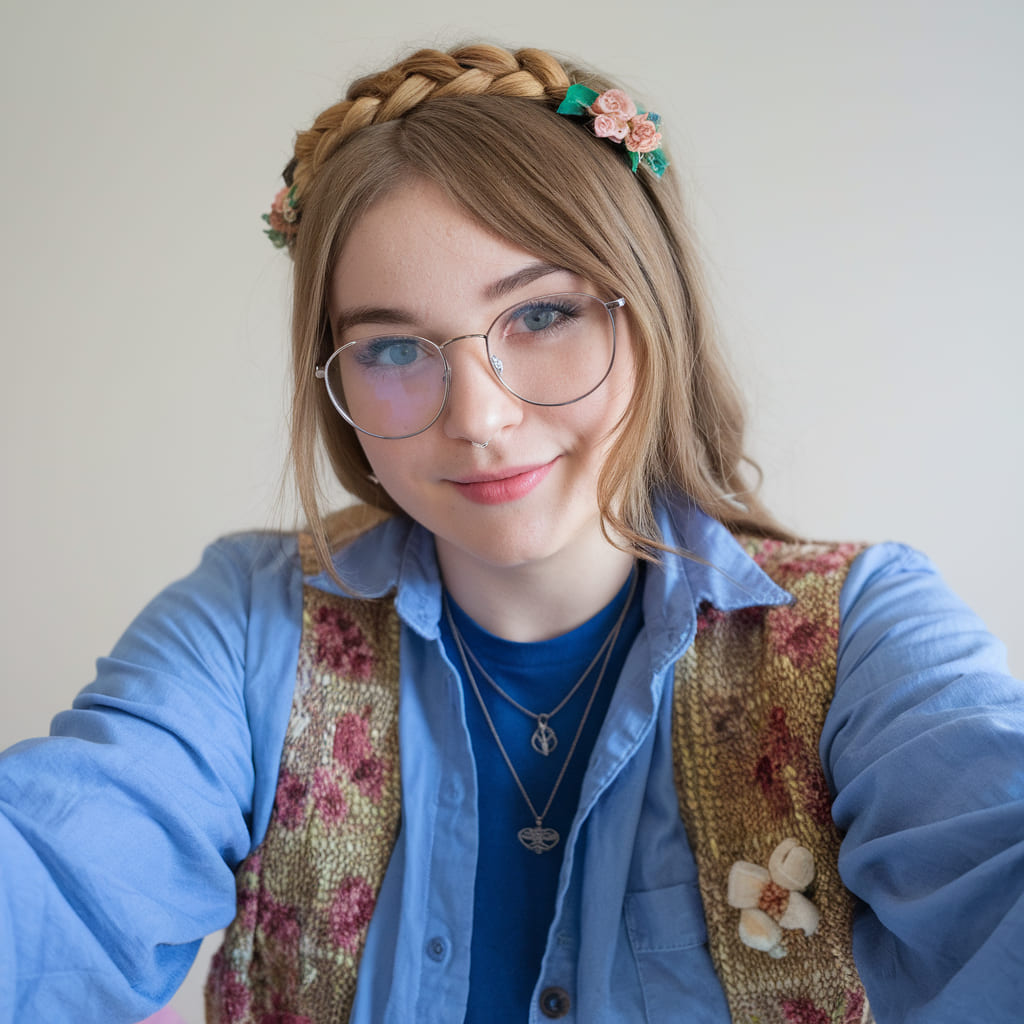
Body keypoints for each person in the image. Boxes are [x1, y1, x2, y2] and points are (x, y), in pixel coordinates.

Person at [1, 42, 1022, 1024]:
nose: (478, 419)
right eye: (394, 345)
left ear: (648, 315)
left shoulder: (861, 637)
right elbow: (56, 869)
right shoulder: (247, 624)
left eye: (538, 316)